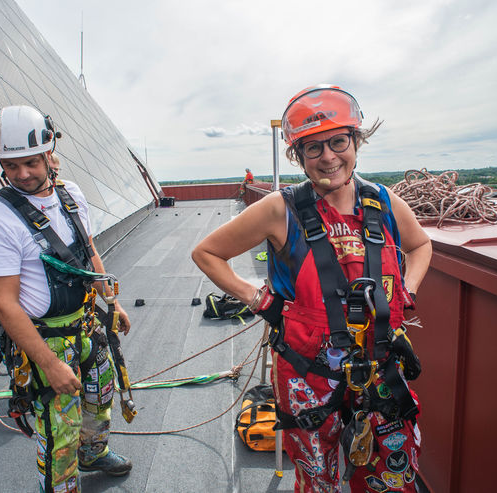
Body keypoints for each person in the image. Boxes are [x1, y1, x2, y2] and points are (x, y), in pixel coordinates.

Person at [193, 85, 432, 492]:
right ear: (297, 156)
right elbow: (207, 253)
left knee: (391, 473)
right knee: (316, 477)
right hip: (308, 371)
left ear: (356, 141)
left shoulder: (382, 201)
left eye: (338, 141)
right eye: (313, 148)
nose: (328, 156)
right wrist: (260, 300)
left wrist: (403, 295)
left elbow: (420, 244)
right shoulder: (279, 209)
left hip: (377, 361)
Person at [0, 105, 133, 493]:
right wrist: (48, 364)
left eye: (30, 162)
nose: (22, 174)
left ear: (49, 155)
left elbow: (88, 250)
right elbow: (4, 304)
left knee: (100, 397)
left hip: (87, 324)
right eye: (11, 166)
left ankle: (93, 452)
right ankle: (61, 487)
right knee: (58, 426)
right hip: (46, 341)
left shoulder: (70, 195)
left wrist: (111, 301)